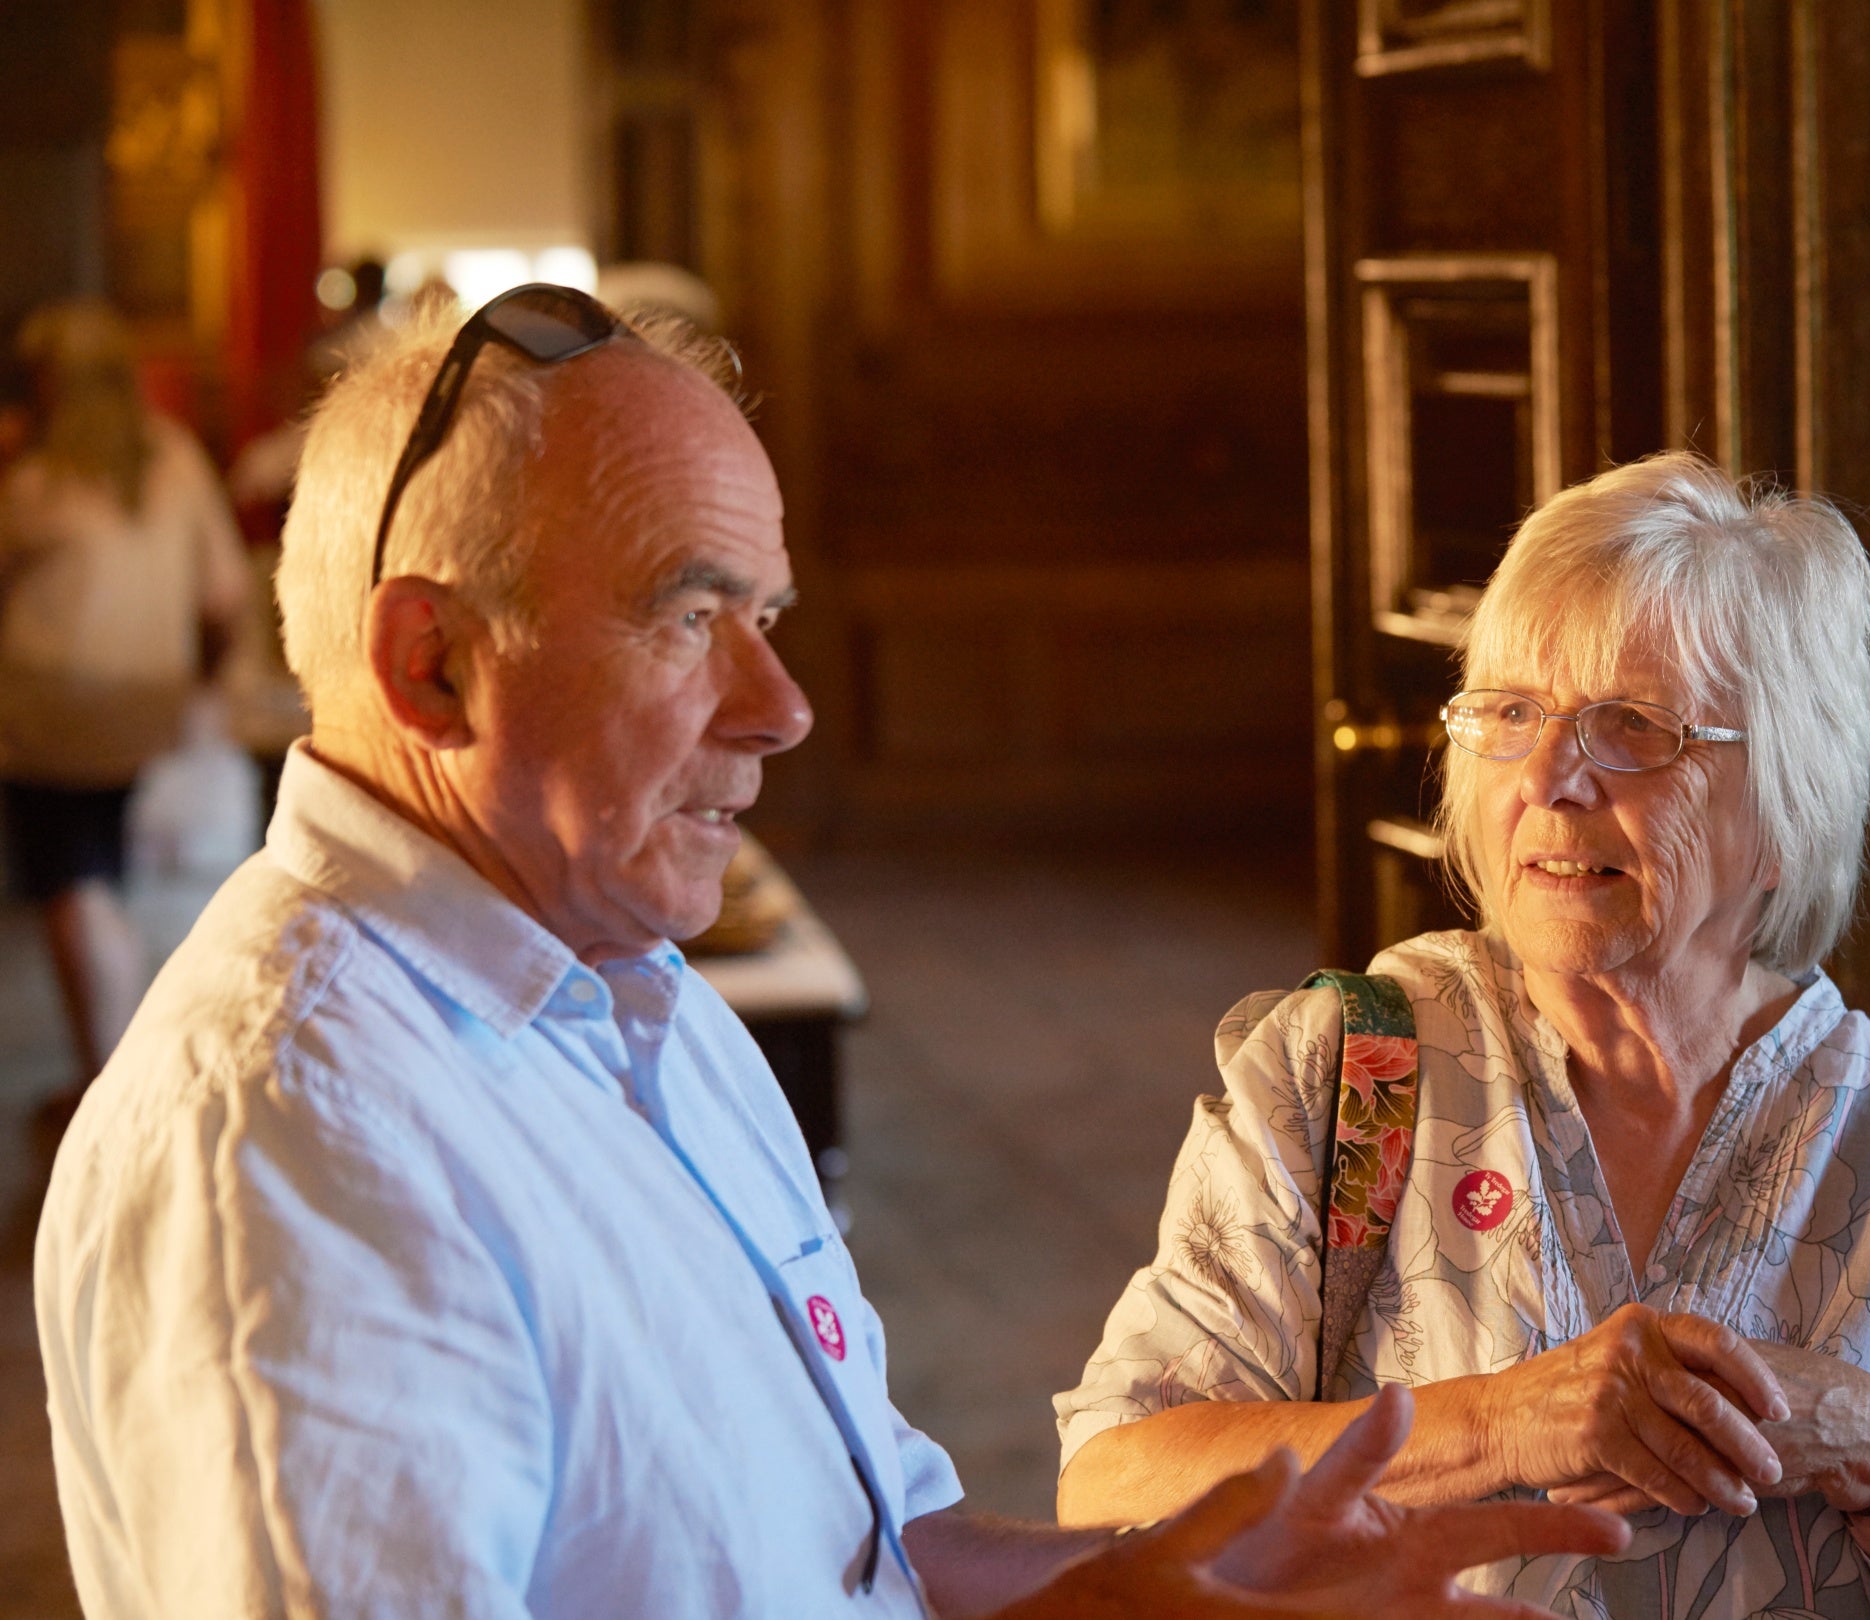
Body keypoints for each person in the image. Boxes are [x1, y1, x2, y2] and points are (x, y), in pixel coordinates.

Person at [35, 286, 1625, 1619]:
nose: (781, 706)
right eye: (686, 617)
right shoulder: (294, 1142)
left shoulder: (639, 1006)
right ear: (432, 664)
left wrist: (1180, 1582)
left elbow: (872, 1556)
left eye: (772, 616)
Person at [1056, 452, 1870, 1619]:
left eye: (1632, 729)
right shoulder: (1349, 1074)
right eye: (1509, 714)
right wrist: (1498, 1422)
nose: (1548, 778)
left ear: (1787, 802)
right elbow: (1110, 1479)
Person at [0, 300, 251, 1118]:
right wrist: (199, 689)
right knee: (108, 879)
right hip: (150, 709)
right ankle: (124, 1063)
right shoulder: (172, 456)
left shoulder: (32, 476)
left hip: (49, 716)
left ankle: (103, 1074)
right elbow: (224, 597)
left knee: (75, 887)